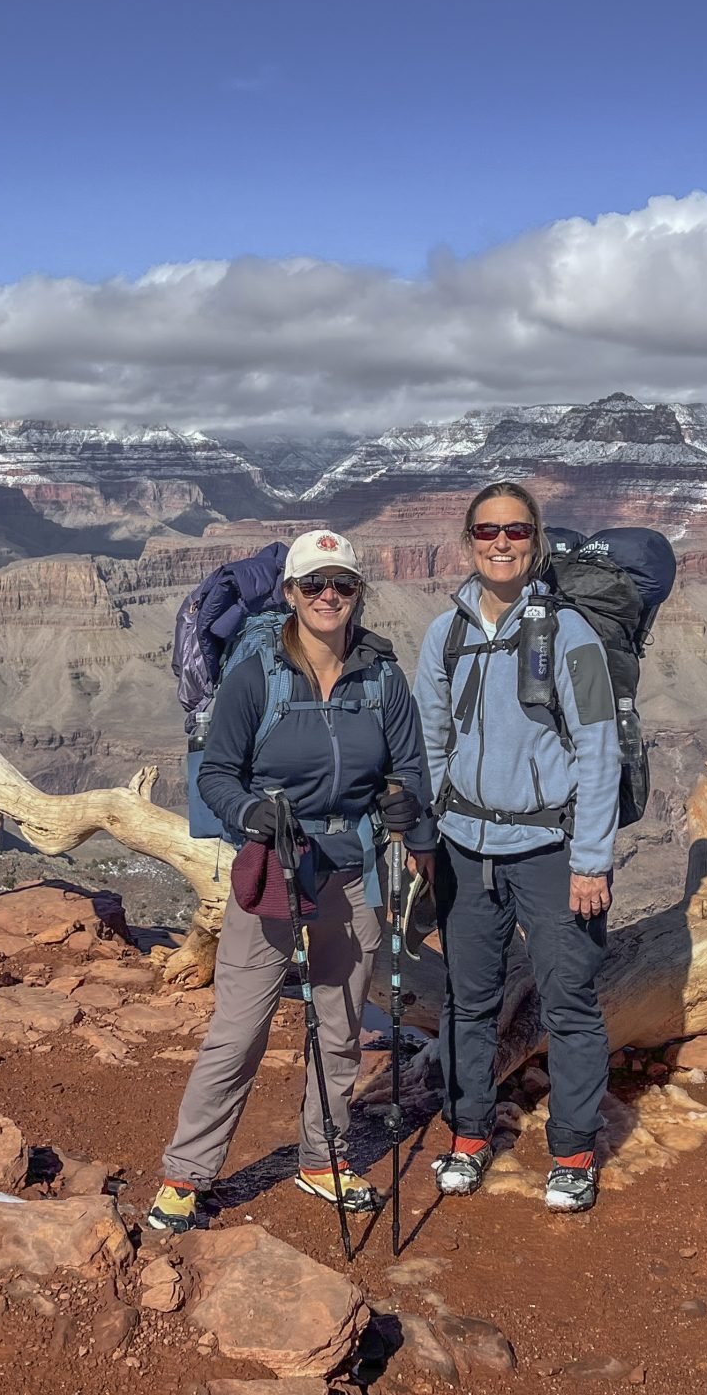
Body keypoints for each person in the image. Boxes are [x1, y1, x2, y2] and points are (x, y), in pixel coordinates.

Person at [147, 528, 436, 1233]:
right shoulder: (258, 677)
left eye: (341, 584)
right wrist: (250, 809)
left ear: (358, 593)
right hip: (276, 866)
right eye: (314, 585)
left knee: (338, 1027)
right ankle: (187, 1175)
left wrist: (409, 815)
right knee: (239, 1030)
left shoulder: (383, 676)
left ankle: (322, 1156)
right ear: (290, 595)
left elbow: (414, 768)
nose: (328, 596)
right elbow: (217, 773)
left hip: (354, 868)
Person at [414, 481, 620, 1213]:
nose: (501, 544)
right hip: (466, 847)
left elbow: (601, 751)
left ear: (536, 541)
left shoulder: (574, 638)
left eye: (516, 531)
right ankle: (468, 1136)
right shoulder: (446, 635)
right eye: (487, 531)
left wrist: (592, 857)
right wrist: (431, 832)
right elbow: (430, 739)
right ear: (468, 540)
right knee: (468, 1002)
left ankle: (571, 1152)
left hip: (551, 848)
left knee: (569, 1002)